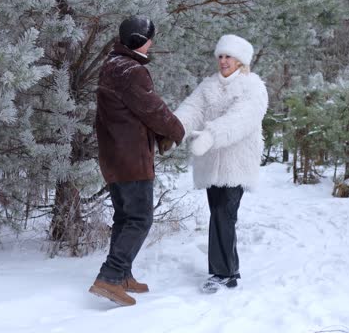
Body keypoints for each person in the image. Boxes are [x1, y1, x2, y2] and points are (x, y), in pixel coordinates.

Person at [89, 16, 185, 307]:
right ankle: (109, 277)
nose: (152, 42)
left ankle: (123, 275)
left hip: (115, 156)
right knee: (140, 218)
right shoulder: (131, 71)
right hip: (131, 158)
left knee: (124, 217)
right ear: (139, 40)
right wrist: (175, 130)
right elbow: (153, 109)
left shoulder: (112, 66)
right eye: (149, 38)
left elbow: (132, 112)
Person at [174, 34, 269, 293]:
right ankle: (230, 269)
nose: (224, 61)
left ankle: (221, 273)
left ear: (240, 60)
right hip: (209, 162)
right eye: (221, 56)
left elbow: (242, 119)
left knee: (223, 215)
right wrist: (173, 128)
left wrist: (211, 135)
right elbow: (191, 109)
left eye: (229, 56)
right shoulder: (209, 85)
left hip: (235, 164)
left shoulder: (253, 87)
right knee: (219, 214)